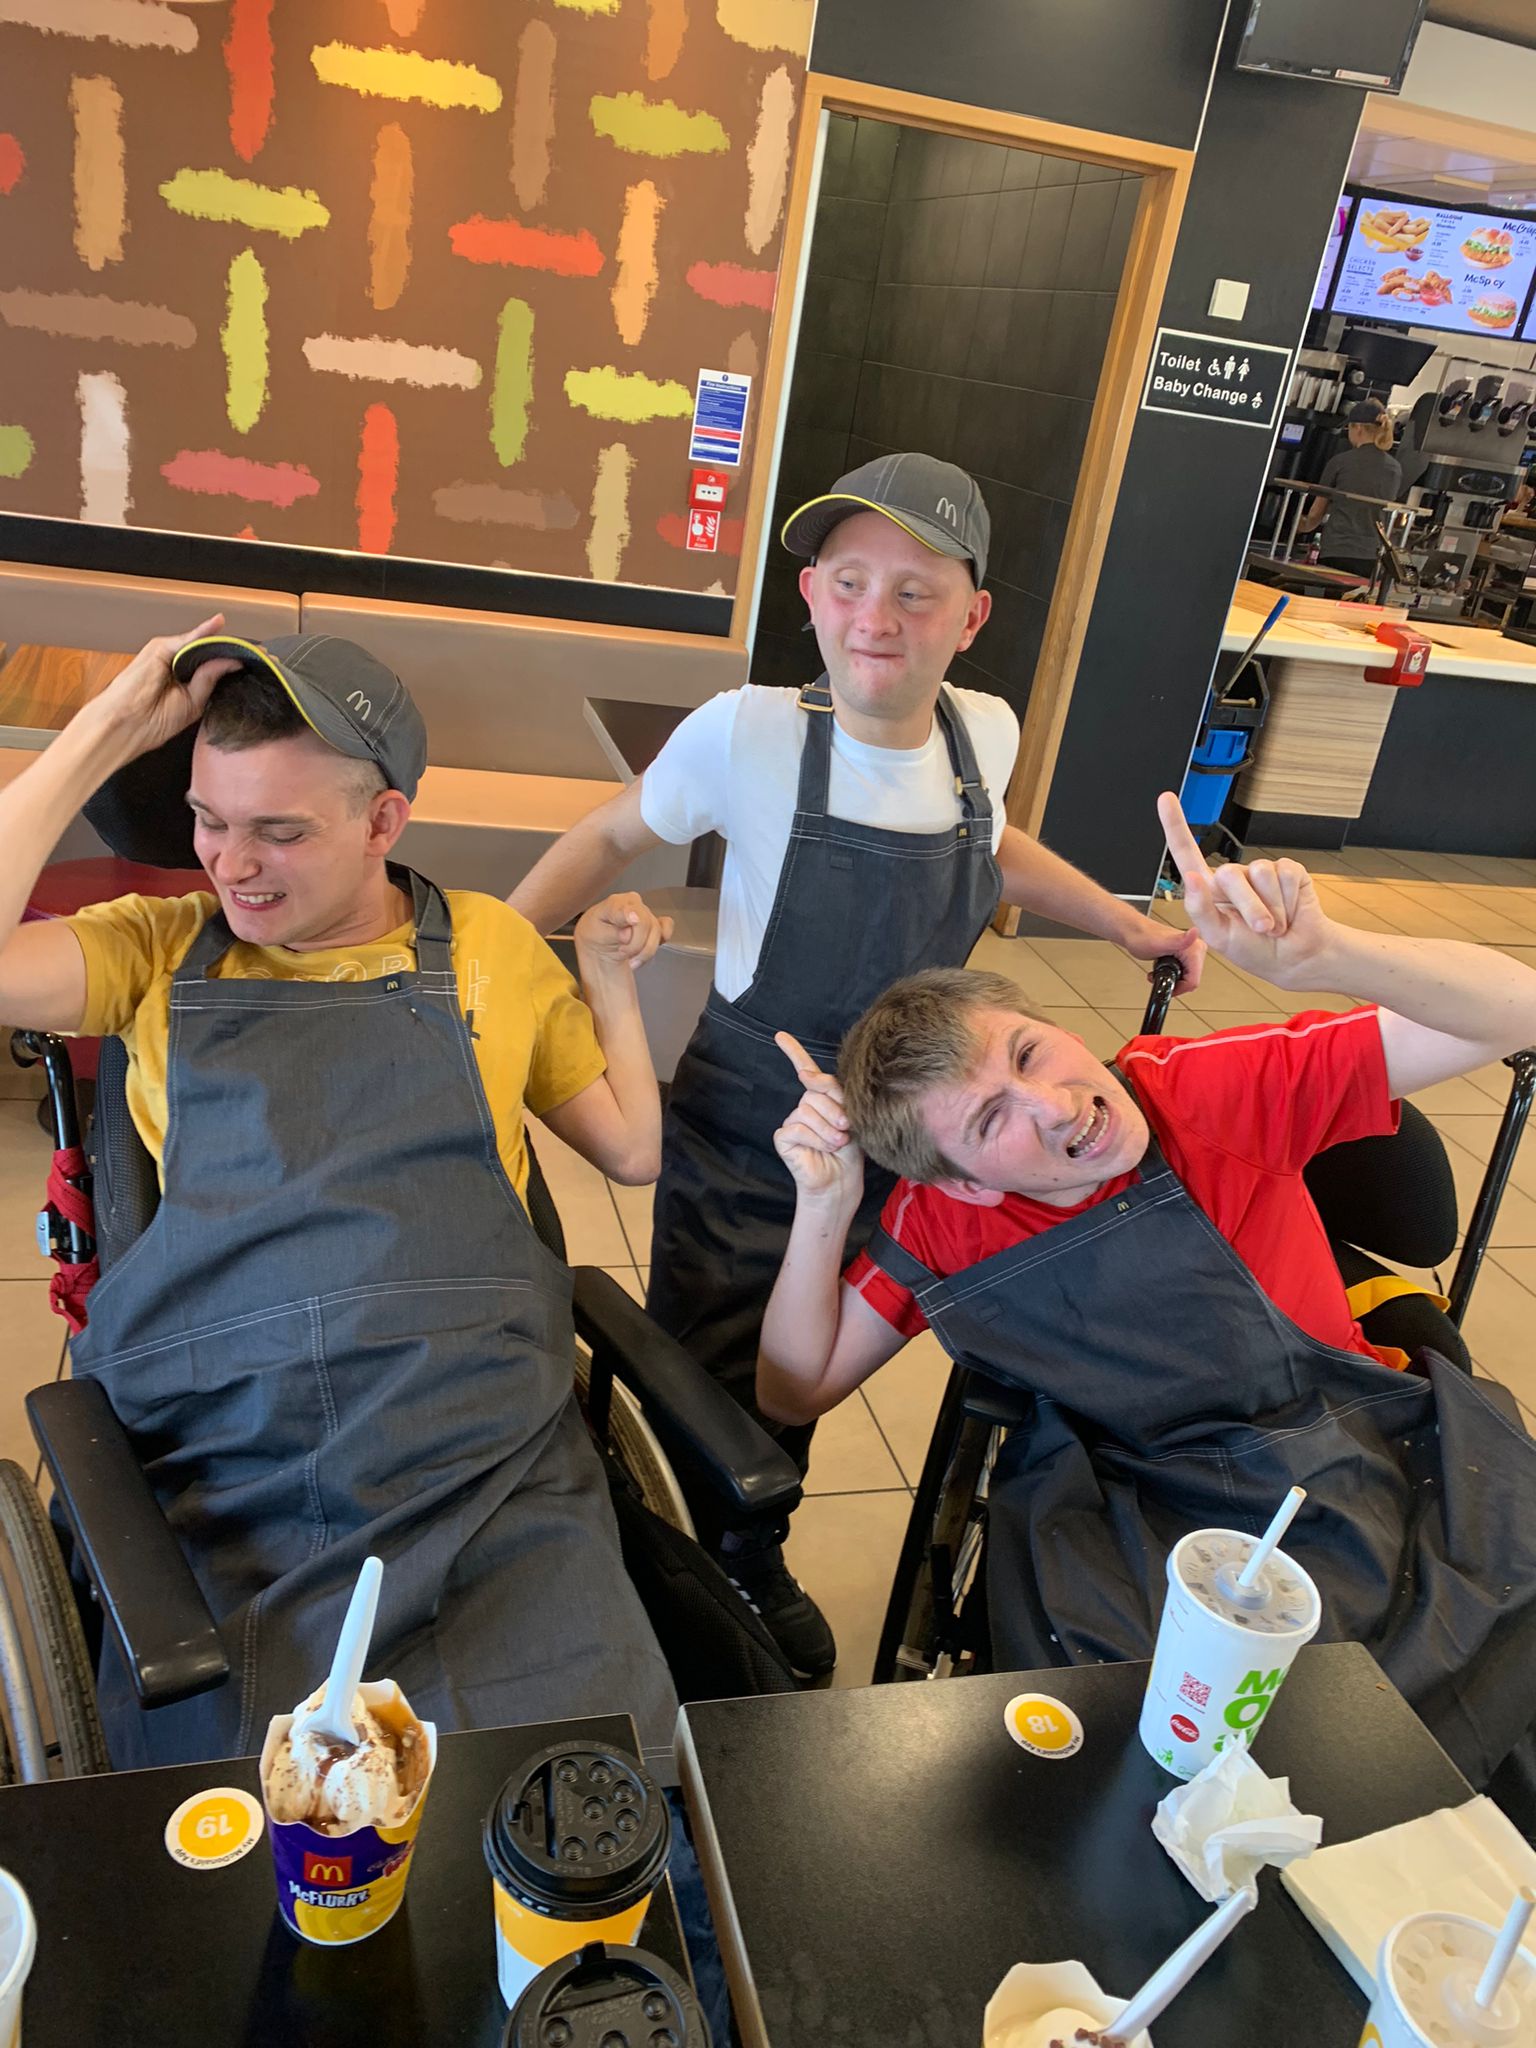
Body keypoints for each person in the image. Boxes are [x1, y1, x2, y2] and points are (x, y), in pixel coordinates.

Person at [509, 452, 1204, 1676]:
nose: (876, 617)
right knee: (708, 1353)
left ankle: (752, 1533)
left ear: (972, 616)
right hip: (751, 1111)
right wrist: (493, 971)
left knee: (822, 1347)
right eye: (848, 582)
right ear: (812, 596)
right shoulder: (750, 733)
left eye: (916, 592)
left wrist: (1124, 921)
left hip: (924, 1115)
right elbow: (614, 831)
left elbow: (999, 850)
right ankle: (679, 1556)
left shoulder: (984, 731)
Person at [0, 618, 681, 1770]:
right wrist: (112, 725)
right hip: (230, 1467)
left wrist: (610, 986)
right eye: (208, 821)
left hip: (482, 1461)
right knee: (243, 1837)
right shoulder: (157, 949)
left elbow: (627, 1150)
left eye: (281, 829)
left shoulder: (490, 947)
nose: (232, 863)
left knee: (599, 1805)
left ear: (384, 821)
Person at [758, 794, 1536, 1792]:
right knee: (1135, 1768)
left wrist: (1330, 955)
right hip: (1140, 1502)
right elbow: (794, 1390)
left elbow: (1520, 1006)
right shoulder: (939, 1221)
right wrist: (824, 1204)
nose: (1056, 1105)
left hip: (1353, 1457)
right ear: (962, 1181)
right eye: (994, 1116)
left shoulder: (1204, 1090)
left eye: (1031, 1053)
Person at [1296, 398, 1403, 580]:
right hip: (1371, 555)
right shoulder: (1394, 468)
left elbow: (1315, 515)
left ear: (1358, 428)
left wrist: (1295, 526)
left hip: (1337, 550)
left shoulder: (1341, 462)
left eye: (1349, 428)